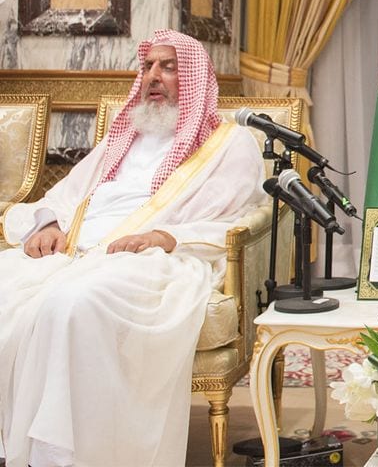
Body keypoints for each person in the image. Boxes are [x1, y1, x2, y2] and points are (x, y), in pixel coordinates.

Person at [0, 30, 267, 467]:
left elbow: (236, 218)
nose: (153, 77)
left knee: (71, 303)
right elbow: (63, 195)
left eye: (168, 66)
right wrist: (47, 224)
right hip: (76, 252)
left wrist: (164, 237)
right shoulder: (124, 138)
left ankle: (68, 455)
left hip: (159, 261)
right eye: (147, 67)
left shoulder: (228, 144)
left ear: (196, 77)